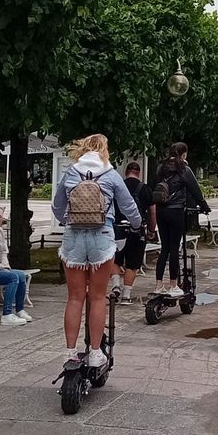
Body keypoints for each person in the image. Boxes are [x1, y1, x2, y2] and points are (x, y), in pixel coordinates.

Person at [52, 134, 141, 368]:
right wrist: (137, 223)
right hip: (102, 236)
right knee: (98, 297)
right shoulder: (110, 174)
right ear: (104, 150)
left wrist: (68, 221)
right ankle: (94, 353)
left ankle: (70, 352)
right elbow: (128, 205)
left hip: (73, 237)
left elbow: (57, 206)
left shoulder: (71, 173)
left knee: (74, 297)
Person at [152, 142, 210, 295]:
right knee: (174, 248)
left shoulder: (160, 168)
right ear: (184, 154)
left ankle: (158, 285)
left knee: (164, 247)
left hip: (161, 211)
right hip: (176, 211)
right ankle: (173, 284)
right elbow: (195, 191)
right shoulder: (184, 169)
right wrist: (204, 207)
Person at [112, 161, 155, 305]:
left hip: (117, 229)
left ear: (126, 172)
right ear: (139, 173)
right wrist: (151, 229)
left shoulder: (118, 187)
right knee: (133, 263)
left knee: (115, 258)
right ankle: (126, 295)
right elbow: (152, 211)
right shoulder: (145, 189)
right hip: (137, 230)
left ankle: (116, 285)